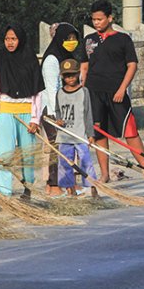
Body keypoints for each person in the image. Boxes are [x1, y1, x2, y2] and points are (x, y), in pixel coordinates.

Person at [84, 0, 144, 180]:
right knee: (99, 133)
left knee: (130, 130)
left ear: (110, 18)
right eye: (94, 19)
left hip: (116, 93)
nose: (96, 23)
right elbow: (84, 67)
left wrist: (122, 89)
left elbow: (132, 65)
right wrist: (82, 92)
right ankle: (105, 174)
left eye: (100, 19)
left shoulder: (123, 39)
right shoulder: (89, 40)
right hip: (93, 92)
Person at [0, 25, 44, 198]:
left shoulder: (31, 60)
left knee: (28, 154)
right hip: (6, 111)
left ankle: (28, 186)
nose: (10, 42)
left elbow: (37, 92)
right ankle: (5, 193)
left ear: (20, 39)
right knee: (5, 153)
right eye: (7, 39)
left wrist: (35, 119)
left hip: (27, 112)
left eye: (13, 39)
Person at [41, 22, 83, 196]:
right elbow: (52, 89)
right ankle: (53, 185)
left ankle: (65, 183)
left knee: (63, 147)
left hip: (64, 109)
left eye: (74, 38)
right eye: (68, 38)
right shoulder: (52, 59)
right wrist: (56, 115)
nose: (71, 41)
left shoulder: (65, 56)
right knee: (56, 148)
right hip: (52, 110)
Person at [54, 59, 98, 198]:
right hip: (65, 136)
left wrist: (91, 134)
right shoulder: (59, 93)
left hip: (80, 135)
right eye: (67, 76)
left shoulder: (84, 92)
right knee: (65, 163)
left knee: (86, 162)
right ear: (62, 77)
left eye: (72, 75)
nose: (70, 78)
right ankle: (69, 189)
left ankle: (92, 188)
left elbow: (88, 113)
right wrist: (58, 120)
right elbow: (57, 111)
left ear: (78, 74)